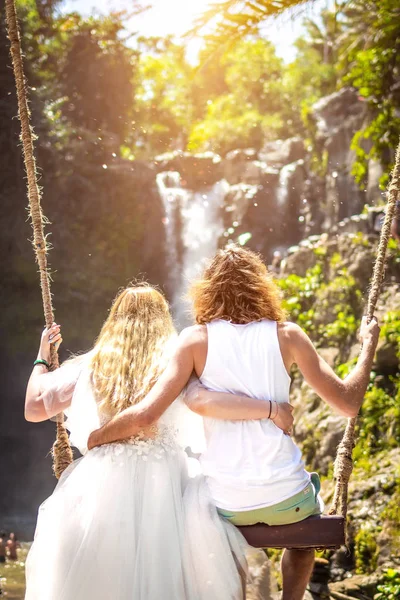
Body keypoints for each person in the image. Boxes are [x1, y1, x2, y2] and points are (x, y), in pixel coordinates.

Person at [88, 245, 380, 600]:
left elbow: (147, 414)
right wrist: (368, 347)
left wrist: (98, 436)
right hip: (287, 496)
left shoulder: (194, 340)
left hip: (227, 504)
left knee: (214, 527)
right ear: (262, 286)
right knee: (303, 541)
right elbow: (349, 403)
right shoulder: (288, 336)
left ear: (206, 290)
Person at [24, 284, 293, 600]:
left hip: (101, 474)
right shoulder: (177, 363)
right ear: (163, 318)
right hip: (163, 476)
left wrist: (41, 359)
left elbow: (33, 408)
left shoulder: (93, 364)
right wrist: (269, 409)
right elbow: (205, 401)